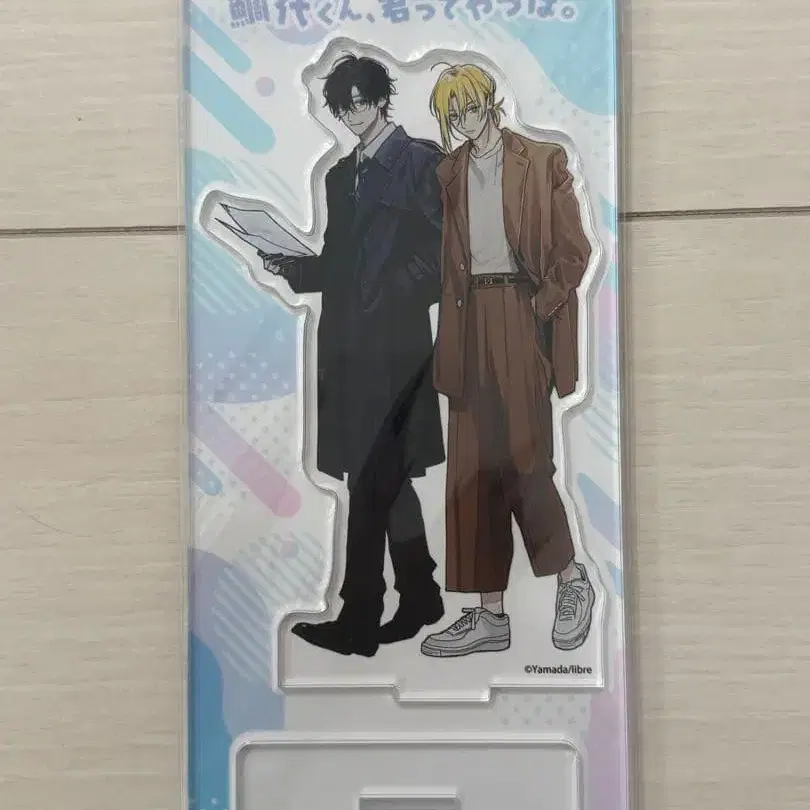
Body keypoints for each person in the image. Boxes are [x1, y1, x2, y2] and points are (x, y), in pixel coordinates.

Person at [261, 55, 446, 657]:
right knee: (385, 482)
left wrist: (391, 292)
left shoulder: (420, 161)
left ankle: (359, 617)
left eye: (361, 101)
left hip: (397, 350)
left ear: (382, 98)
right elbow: (341, 263)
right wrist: (295, 268)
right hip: (345, 347)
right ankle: (421, 594)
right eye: (342, 106)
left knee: (371, 482)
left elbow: (446, 252)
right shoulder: (342, 175)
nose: (351, 114)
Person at [420, 64, 596, 658]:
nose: (464, 121)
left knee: (526, 457)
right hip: (466, 318)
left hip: (521, 312)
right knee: (470, 468)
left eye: (470, 108)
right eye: (453, 115)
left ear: (489, 103)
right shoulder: (448, 173)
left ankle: (571, 579)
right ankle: (489, 614)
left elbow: (575, 251)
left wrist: (539, 308)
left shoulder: (542, 161)